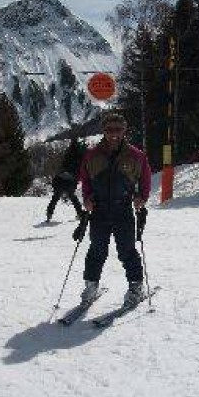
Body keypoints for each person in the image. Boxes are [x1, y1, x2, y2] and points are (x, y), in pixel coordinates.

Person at [76, 112, 152, 306]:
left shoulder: (136, 155)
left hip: (123, 210)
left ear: (124, 130)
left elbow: (145, 178)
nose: (114, 133)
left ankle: (136, 286)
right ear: (104, 130)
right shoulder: (92, 155)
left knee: (127, 250)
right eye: (110, 129)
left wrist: (142, 197)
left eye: (118, 129)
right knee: (96, 250)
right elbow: (86, 180)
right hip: (99, 211)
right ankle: (91, 286)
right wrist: (86, 198)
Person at [46, 137, 87, 222]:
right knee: (73, 197)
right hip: (72, 179)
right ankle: (80, 214)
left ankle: (49, 215)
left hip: (62, 177)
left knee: (55, 197)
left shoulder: (68, 153)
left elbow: (63, 165)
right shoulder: (81, 155)